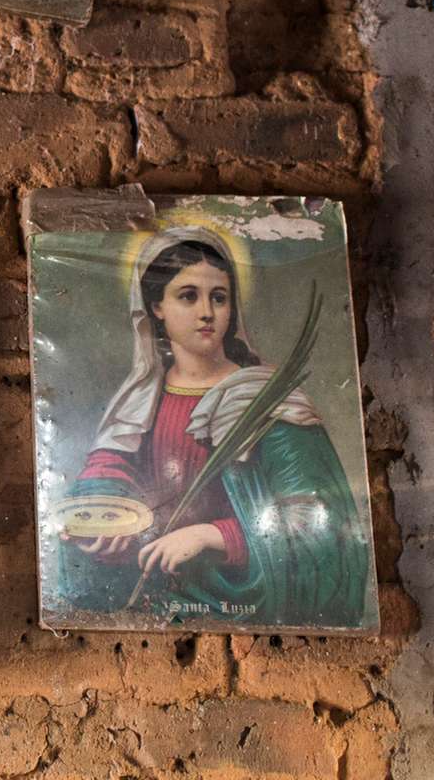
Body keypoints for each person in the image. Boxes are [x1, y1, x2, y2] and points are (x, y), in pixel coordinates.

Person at [56, 228, 371, 626]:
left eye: (218, 297)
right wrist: (108, 512)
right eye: (188, 296)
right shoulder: (140, 398)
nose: (207, 312)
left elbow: (316, 522)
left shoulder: (265, 399)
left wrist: (212, 536)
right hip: (156, 588)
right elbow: (107, 469)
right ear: (156, 306)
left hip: (243, 592)